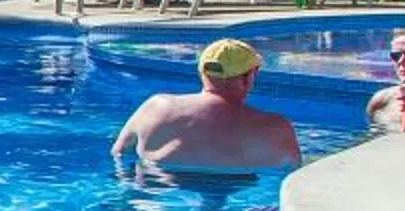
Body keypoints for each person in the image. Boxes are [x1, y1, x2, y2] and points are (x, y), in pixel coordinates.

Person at [109, 39, 303, 174]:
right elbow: (294, 174)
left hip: (159, 199)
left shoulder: (156, 107)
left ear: (202, 72)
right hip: (237, 201)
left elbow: (119, 153)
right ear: (247, 78)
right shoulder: (275, 128)